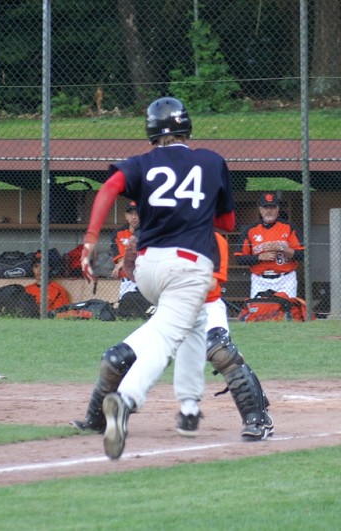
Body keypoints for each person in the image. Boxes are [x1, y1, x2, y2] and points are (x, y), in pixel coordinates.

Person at [77, 96, 236, 460]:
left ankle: (190, 407)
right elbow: (227, 222)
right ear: (187, 128)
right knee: (166, 338)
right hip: (188, 266)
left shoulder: (142, 163)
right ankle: (125, 400)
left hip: (147, 267)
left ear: (151, 131)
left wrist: (90, 239)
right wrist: (195, 211)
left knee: (194, 321)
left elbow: (108, 188)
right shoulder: (211, 161)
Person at [72, 232, 274, 440]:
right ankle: (96, 420)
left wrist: (175, 278)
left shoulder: (212, 239)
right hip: (170, 311)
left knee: (220, 352)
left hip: (206, 308)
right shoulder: (164, 238)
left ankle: (258, 419)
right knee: (114, 360)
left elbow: (211, 284)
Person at [234, 192, 304, 298]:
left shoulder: (288, 227)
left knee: (287, 308)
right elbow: (239, 258)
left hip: (286, 279)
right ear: (260, 210)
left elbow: (302, 255)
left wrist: (281, 248)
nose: (269, 210)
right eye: (265, 207)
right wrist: (260, 257)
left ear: (278, 209)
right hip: (260, 280)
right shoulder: (251, 230)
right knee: (259, 308)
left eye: (272, 207)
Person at [110, 200, 152, 319]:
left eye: (137, 213)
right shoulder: (118, 233)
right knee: (126, 313)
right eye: (130, 213)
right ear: (126, 215)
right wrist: (123, 261)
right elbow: (118, 260)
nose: (134, 217)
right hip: (127, 280)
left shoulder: (148, 231)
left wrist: (125, 261)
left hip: (145, 277)